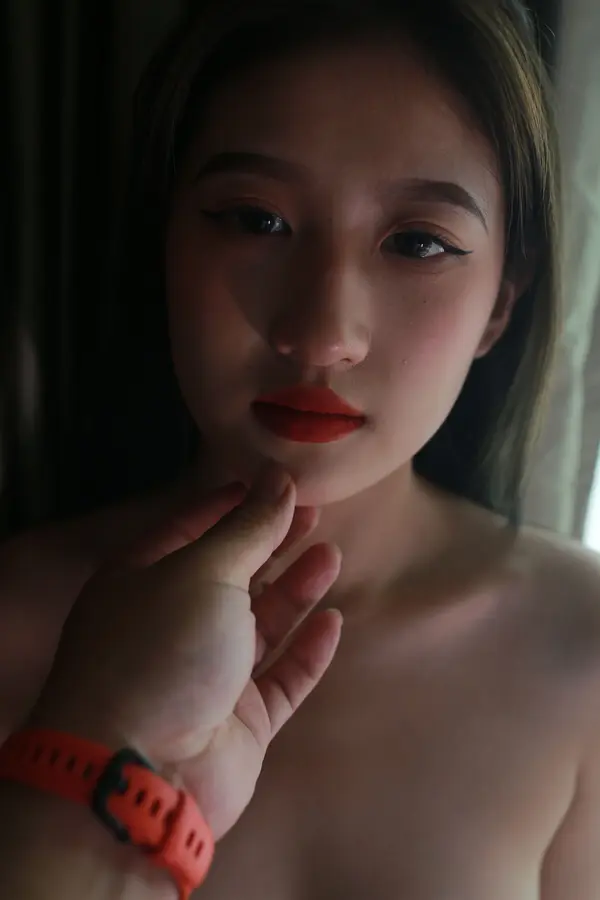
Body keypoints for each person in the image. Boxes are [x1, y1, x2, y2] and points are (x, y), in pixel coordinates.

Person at [2, 0, 600, 897]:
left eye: (418, 242)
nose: (322, 334)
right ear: (164, 242)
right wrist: (92, 742)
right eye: (256, 220)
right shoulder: (14, 618)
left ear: (502, 305)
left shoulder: (582, 649)